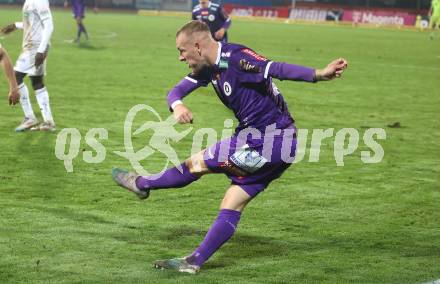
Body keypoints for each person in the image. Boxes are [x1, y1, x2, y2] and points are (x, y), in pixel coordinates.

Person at [112, 21, 348, 274]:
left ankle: (142, 184)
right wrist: (178, 105)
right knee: (233, 201)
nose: (181, 57)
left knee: (195, 164)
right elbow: (176, 91)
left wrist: (319, 74)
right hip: (280, 145)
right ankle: (193, 262)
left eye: (182, 51)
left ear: (198, 46)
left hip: (266, 141)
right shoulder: (208, 66)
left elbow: (276, 68)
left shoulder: (236, 58)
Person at [1, 0, 56, 132]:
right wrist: (15, 25)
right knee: (37, 82)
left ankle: (29, 117)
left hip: (35, 47)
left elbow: (49, 25)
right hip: (34, 46)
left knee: (15, 76)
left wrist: (41, 50)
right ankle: (48, 122)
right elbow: (33, 22)